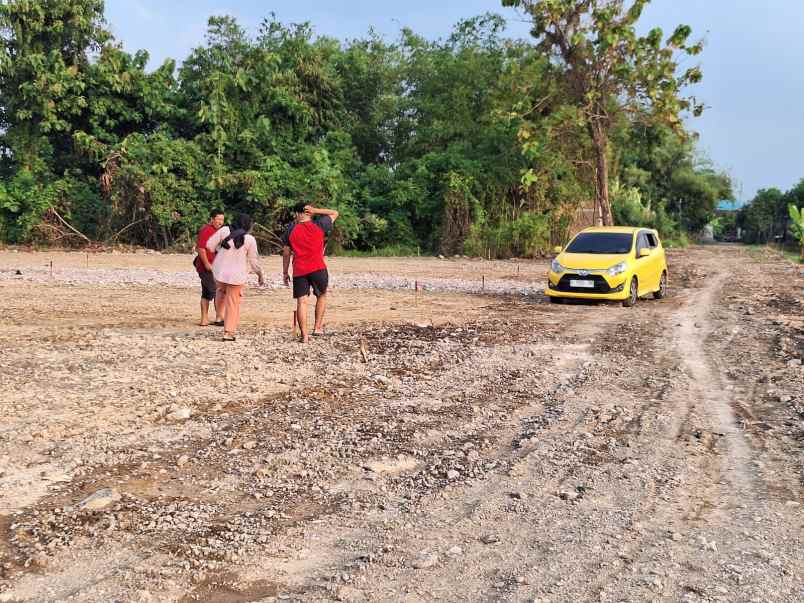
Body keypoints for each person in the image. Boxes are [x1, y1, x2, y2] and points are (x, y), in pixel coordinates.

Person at [281, 202, 339, 343]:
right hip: (318, 267)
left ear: (296, 214)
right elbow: (334, 213)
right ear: (309, 212)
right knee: (322, 295)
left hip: (299, 270)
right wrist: (316, 210)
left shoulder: (290, 229)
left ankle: (305, 336)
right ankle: (317, 327)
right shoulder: (320, 225)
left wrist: (284, 272)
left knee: (302, 302)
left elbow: (286, 252)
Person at [205, 213, 265, 341]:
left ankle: (219, 316)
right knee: (233, 303)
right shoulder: (250, 239)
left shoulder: (224, 230)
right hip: (236, 275)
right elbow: (254, 262)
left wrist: (221, 247)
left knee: (221, 291)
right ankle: (228, 332)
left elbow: (209, 245)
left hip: (219, 272)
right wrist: (260, 275)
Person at [195, 208, 225, 326]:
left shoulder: (219, 231)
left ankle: (207, 319)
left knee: (207, 292)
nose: (220, 222)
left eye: (222, 219)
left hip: (215, 266)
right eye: (218, 219)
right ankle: (218, 318)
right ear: (212, 219)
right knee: (214, 290)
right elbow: (201, 248)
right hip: (206, 267)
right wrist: (207, 264)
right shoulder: (207, 230)